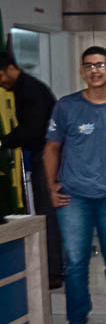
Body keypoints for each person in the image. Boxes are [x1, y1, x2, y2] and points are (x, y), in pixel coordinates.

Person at [44, 46, 106, 324]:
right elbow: (52, 148)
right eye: (88, 66)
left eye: (100, 64)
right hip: (73, 197)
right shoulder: (66, 107)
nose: (95, 70)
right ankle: (76, 322)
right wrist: (50, 187)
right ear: (82, 72)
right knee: (76, 261)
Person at [0, 50, 63, 288]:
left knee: (48, 213)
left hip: (48, 157)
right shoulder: (22, 88)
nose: (0, 83)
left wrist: (3, 142)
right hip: (43, 155)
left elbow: (33, 130)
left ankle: (54, 272)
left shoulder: (30, 90)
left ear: (9, 69)